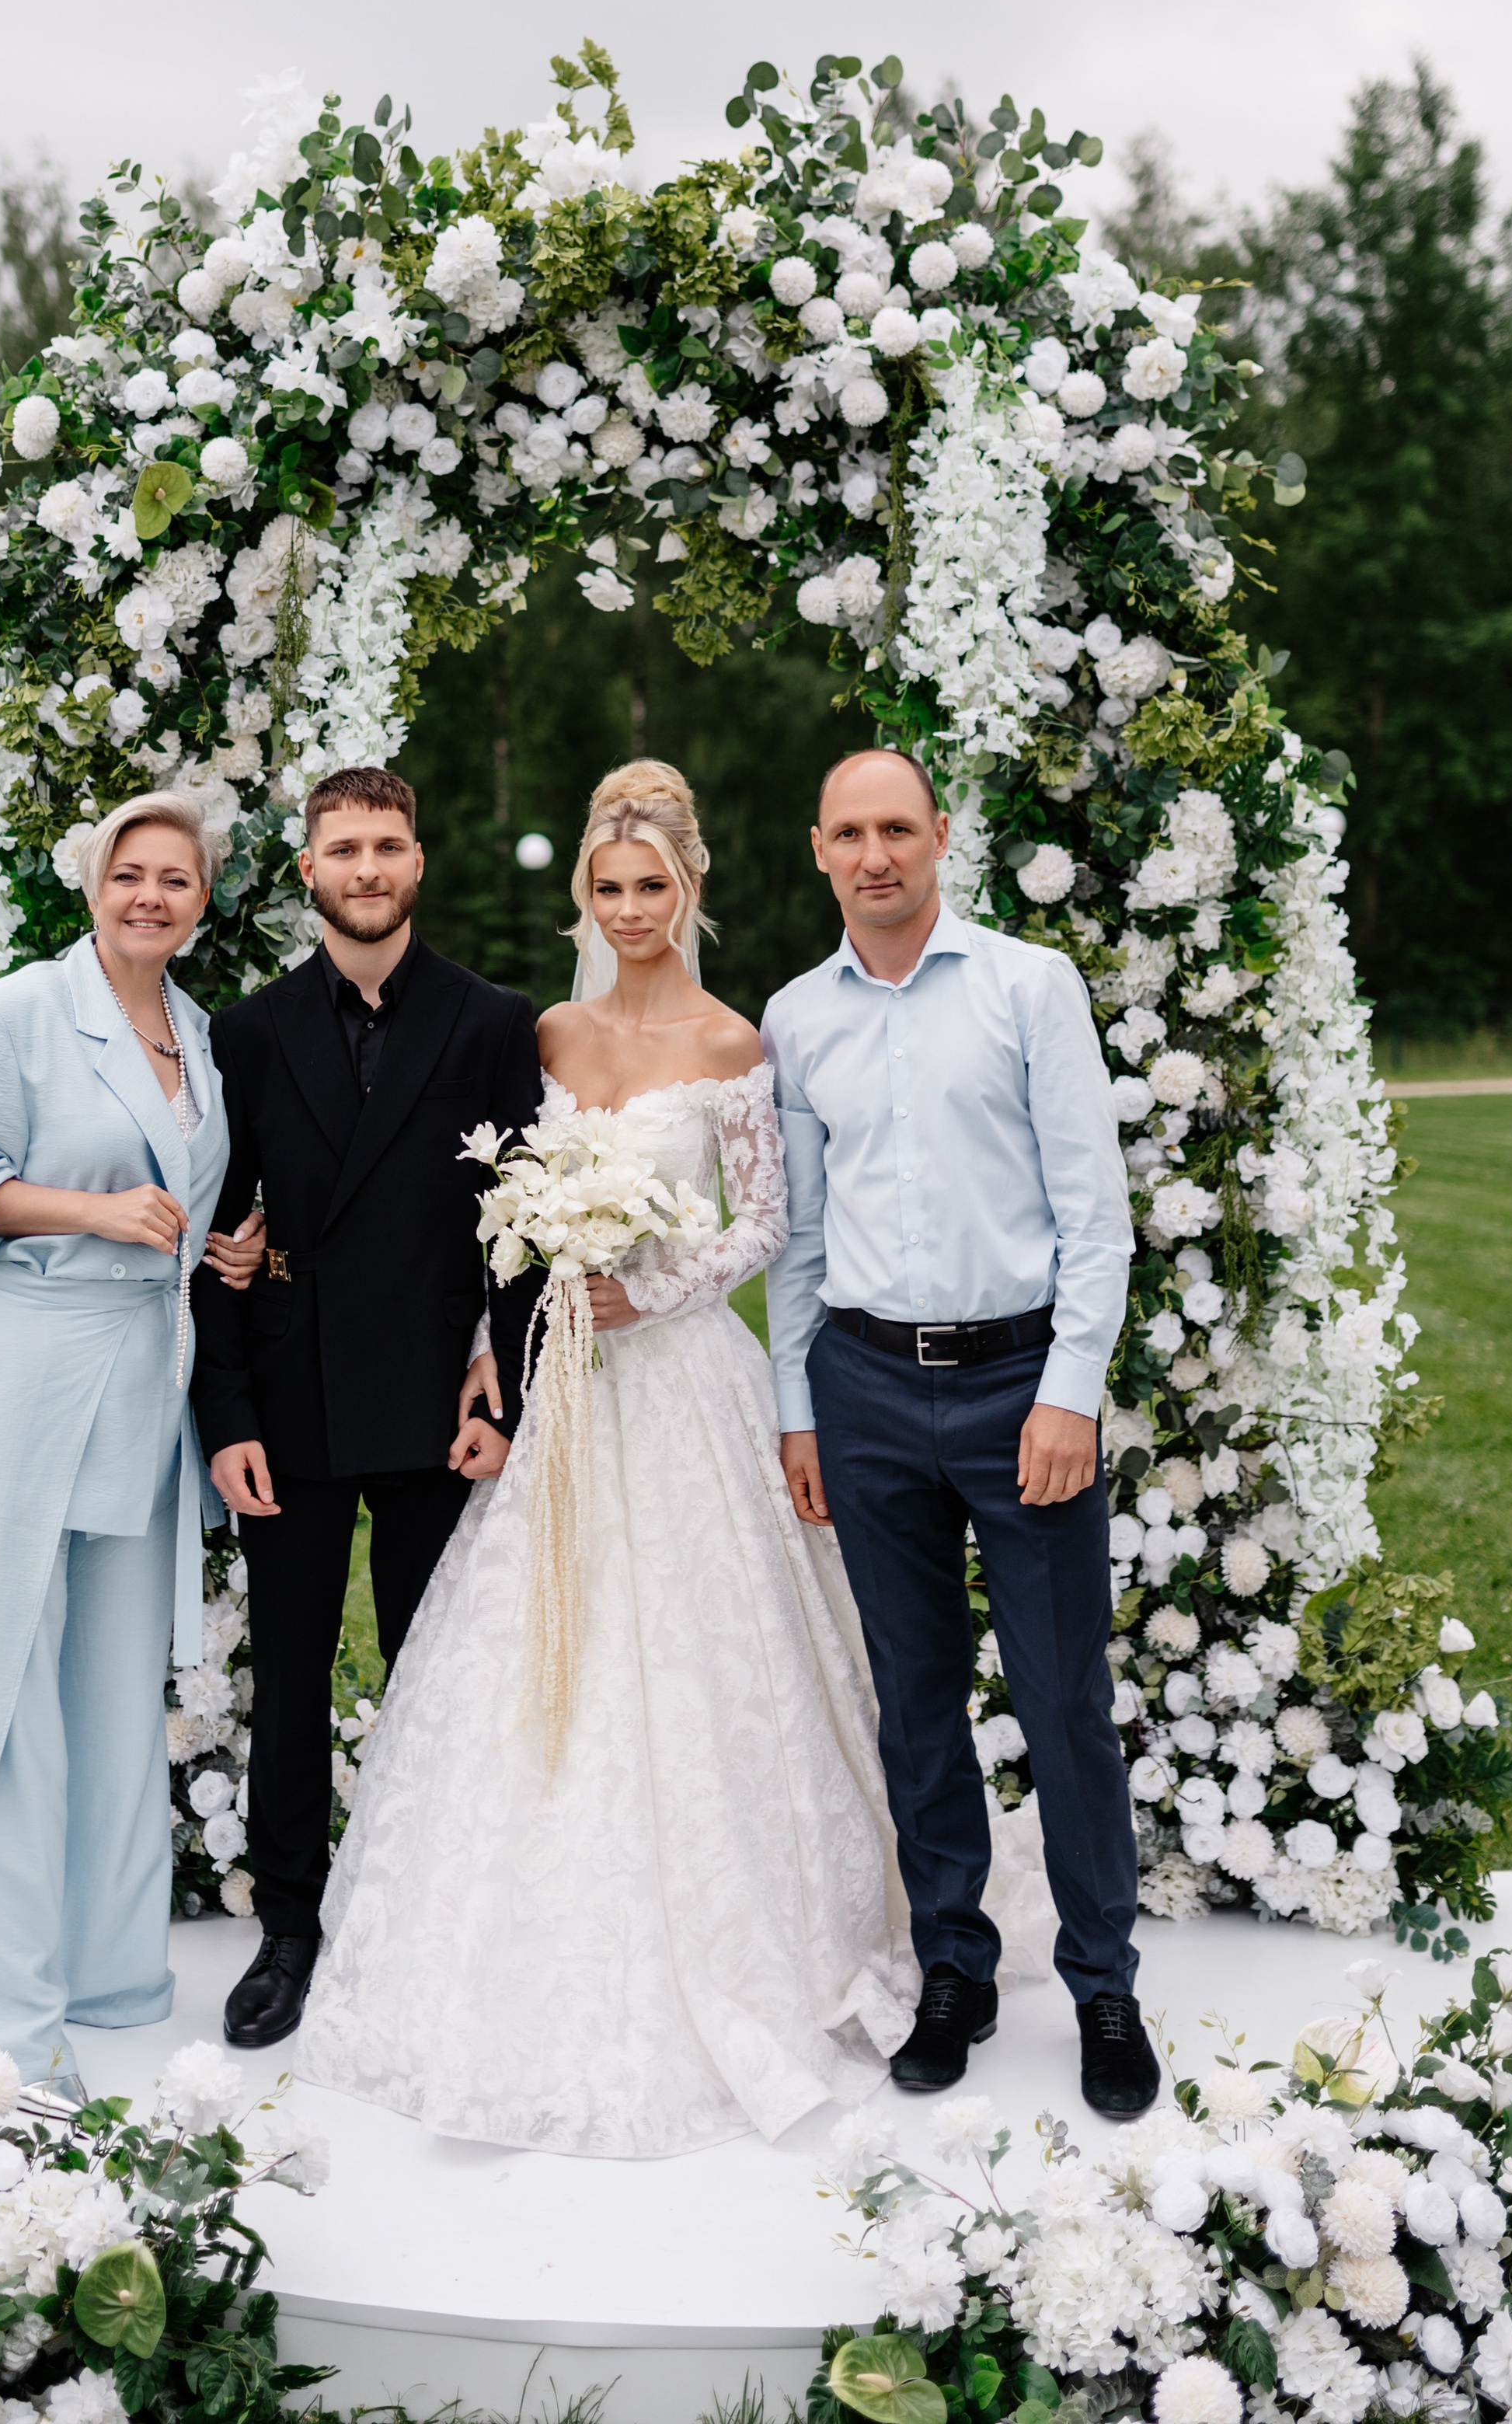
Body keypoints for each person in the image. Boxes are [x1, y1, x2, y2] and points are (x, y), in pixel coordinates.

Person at [287, 760, 918, 2157]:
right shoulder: (548, 1039)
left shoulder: (737, 1044)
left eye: (654, 887)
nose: (631, 909)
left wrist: (662, 1279)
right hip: (561, 1384)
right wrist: (504, 1342)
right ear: (585, 895)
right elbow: (499, 1213)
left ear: (690, 893)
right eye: (609, 888)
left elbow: (765, 1224)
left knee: (708, 1656)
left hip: (682, 1377)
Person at [761, 748, 1153, 2117]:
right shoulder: (797, 1017)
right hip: (866, 1392)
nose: (877, 855)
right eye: (851, 832)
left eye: (899, 830)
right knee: (916, 1705)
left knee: (1062, 1704)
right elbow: (802, 1236)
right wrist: (799, 1408)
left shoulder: (1025, 986)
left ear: (941, 838)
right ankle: (954, 1965)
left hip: (1016, 1385)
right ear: (819, 849)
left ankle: (1105, 1981)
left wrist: (1070, 1393)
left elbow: (1094, 1214)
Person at [0, 789, 265, 2087]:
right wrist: (93, 1217)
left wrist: (214, 1245)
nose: (152, 895)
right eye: (129, 873)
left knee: (104, 1692)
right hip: (13, 1388)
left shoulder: (197, 1037)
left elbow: (171, 1199)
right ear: (92, 882)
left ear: (205, 902)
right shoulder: (16, 1014)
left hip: (137, 1397)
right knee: (7, 1692)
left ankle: (102, 1967)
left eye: (178, 880)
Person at [189, 765, 545, 2053]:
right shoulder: (245, 1032)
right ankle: (290, 1926)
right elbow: (216, 1238)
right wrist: (225, 1414)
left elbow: (524, 1228)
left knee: (431, 1669)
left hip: (431, 1405)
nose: (369, 869)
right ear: (307, 872)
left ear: (419, 862)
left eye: (390, 846)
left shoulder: (494, 1020)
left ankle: (429, 1918)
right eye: (345, 849)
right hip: (287, 1404)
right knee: (285, 1675)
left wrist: (506, 1387)